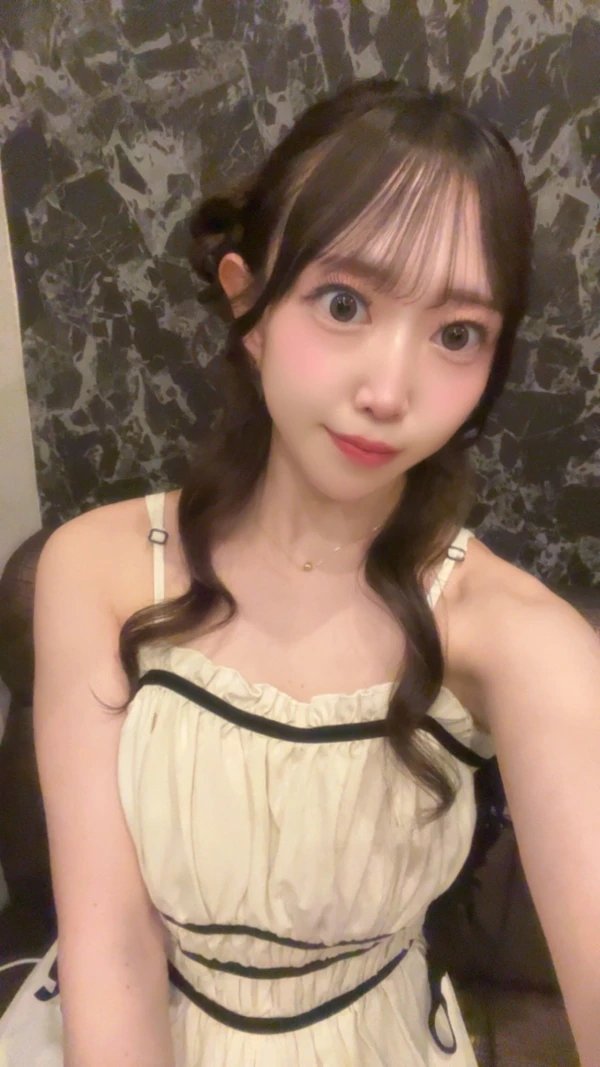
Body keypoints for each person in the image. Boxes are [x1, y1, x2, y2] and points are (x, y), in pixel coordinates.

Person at [1, 78, 599, 1067]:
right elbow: (112, 951)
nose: (390, 389)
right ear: (249, 301)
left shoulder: (514, 634)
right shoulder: (95, 571)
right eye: (344, 303)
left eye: (457, 333)